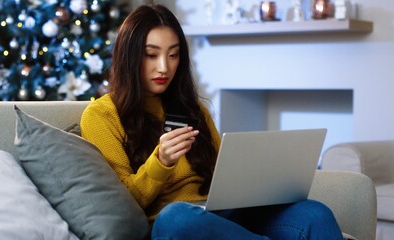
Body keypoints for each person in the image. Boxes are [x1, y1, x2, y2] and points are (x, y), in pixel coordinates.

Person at [80, 4, 343, 240]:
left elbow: (221, 178)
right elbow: (123, 203)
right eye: (151, 55)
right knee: (176, 217)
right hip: (171, 224)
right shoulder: (102, 115)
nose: (164, 67)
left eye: (173, 55)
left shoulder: (192, 109)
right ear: (129, 56)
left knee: (314, 213)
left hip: (220, 216)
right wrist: (160, 162)